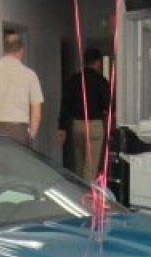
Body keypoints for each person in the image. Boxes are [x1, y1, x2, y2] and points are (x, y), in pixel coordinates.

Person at [0, 32, 44, 147]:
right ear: (21, 51)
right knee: (18, 165)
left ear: (4, 50)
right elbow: (36, 112)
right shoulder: (30, 75)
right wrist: (31, 136)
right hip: (19, 132)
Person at [56, 47, 111, 182]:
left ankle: (78, 192)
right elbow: (108, 104)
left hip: (78, 124)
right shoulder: (101, 81)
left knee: (80, 164)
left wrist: (62, 127)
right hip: (94, 125)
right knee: (90, 167)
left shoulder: (73, 80)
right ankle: (86, 197)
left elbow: (66, 104)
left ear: (84, 62)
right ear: (97, 62)